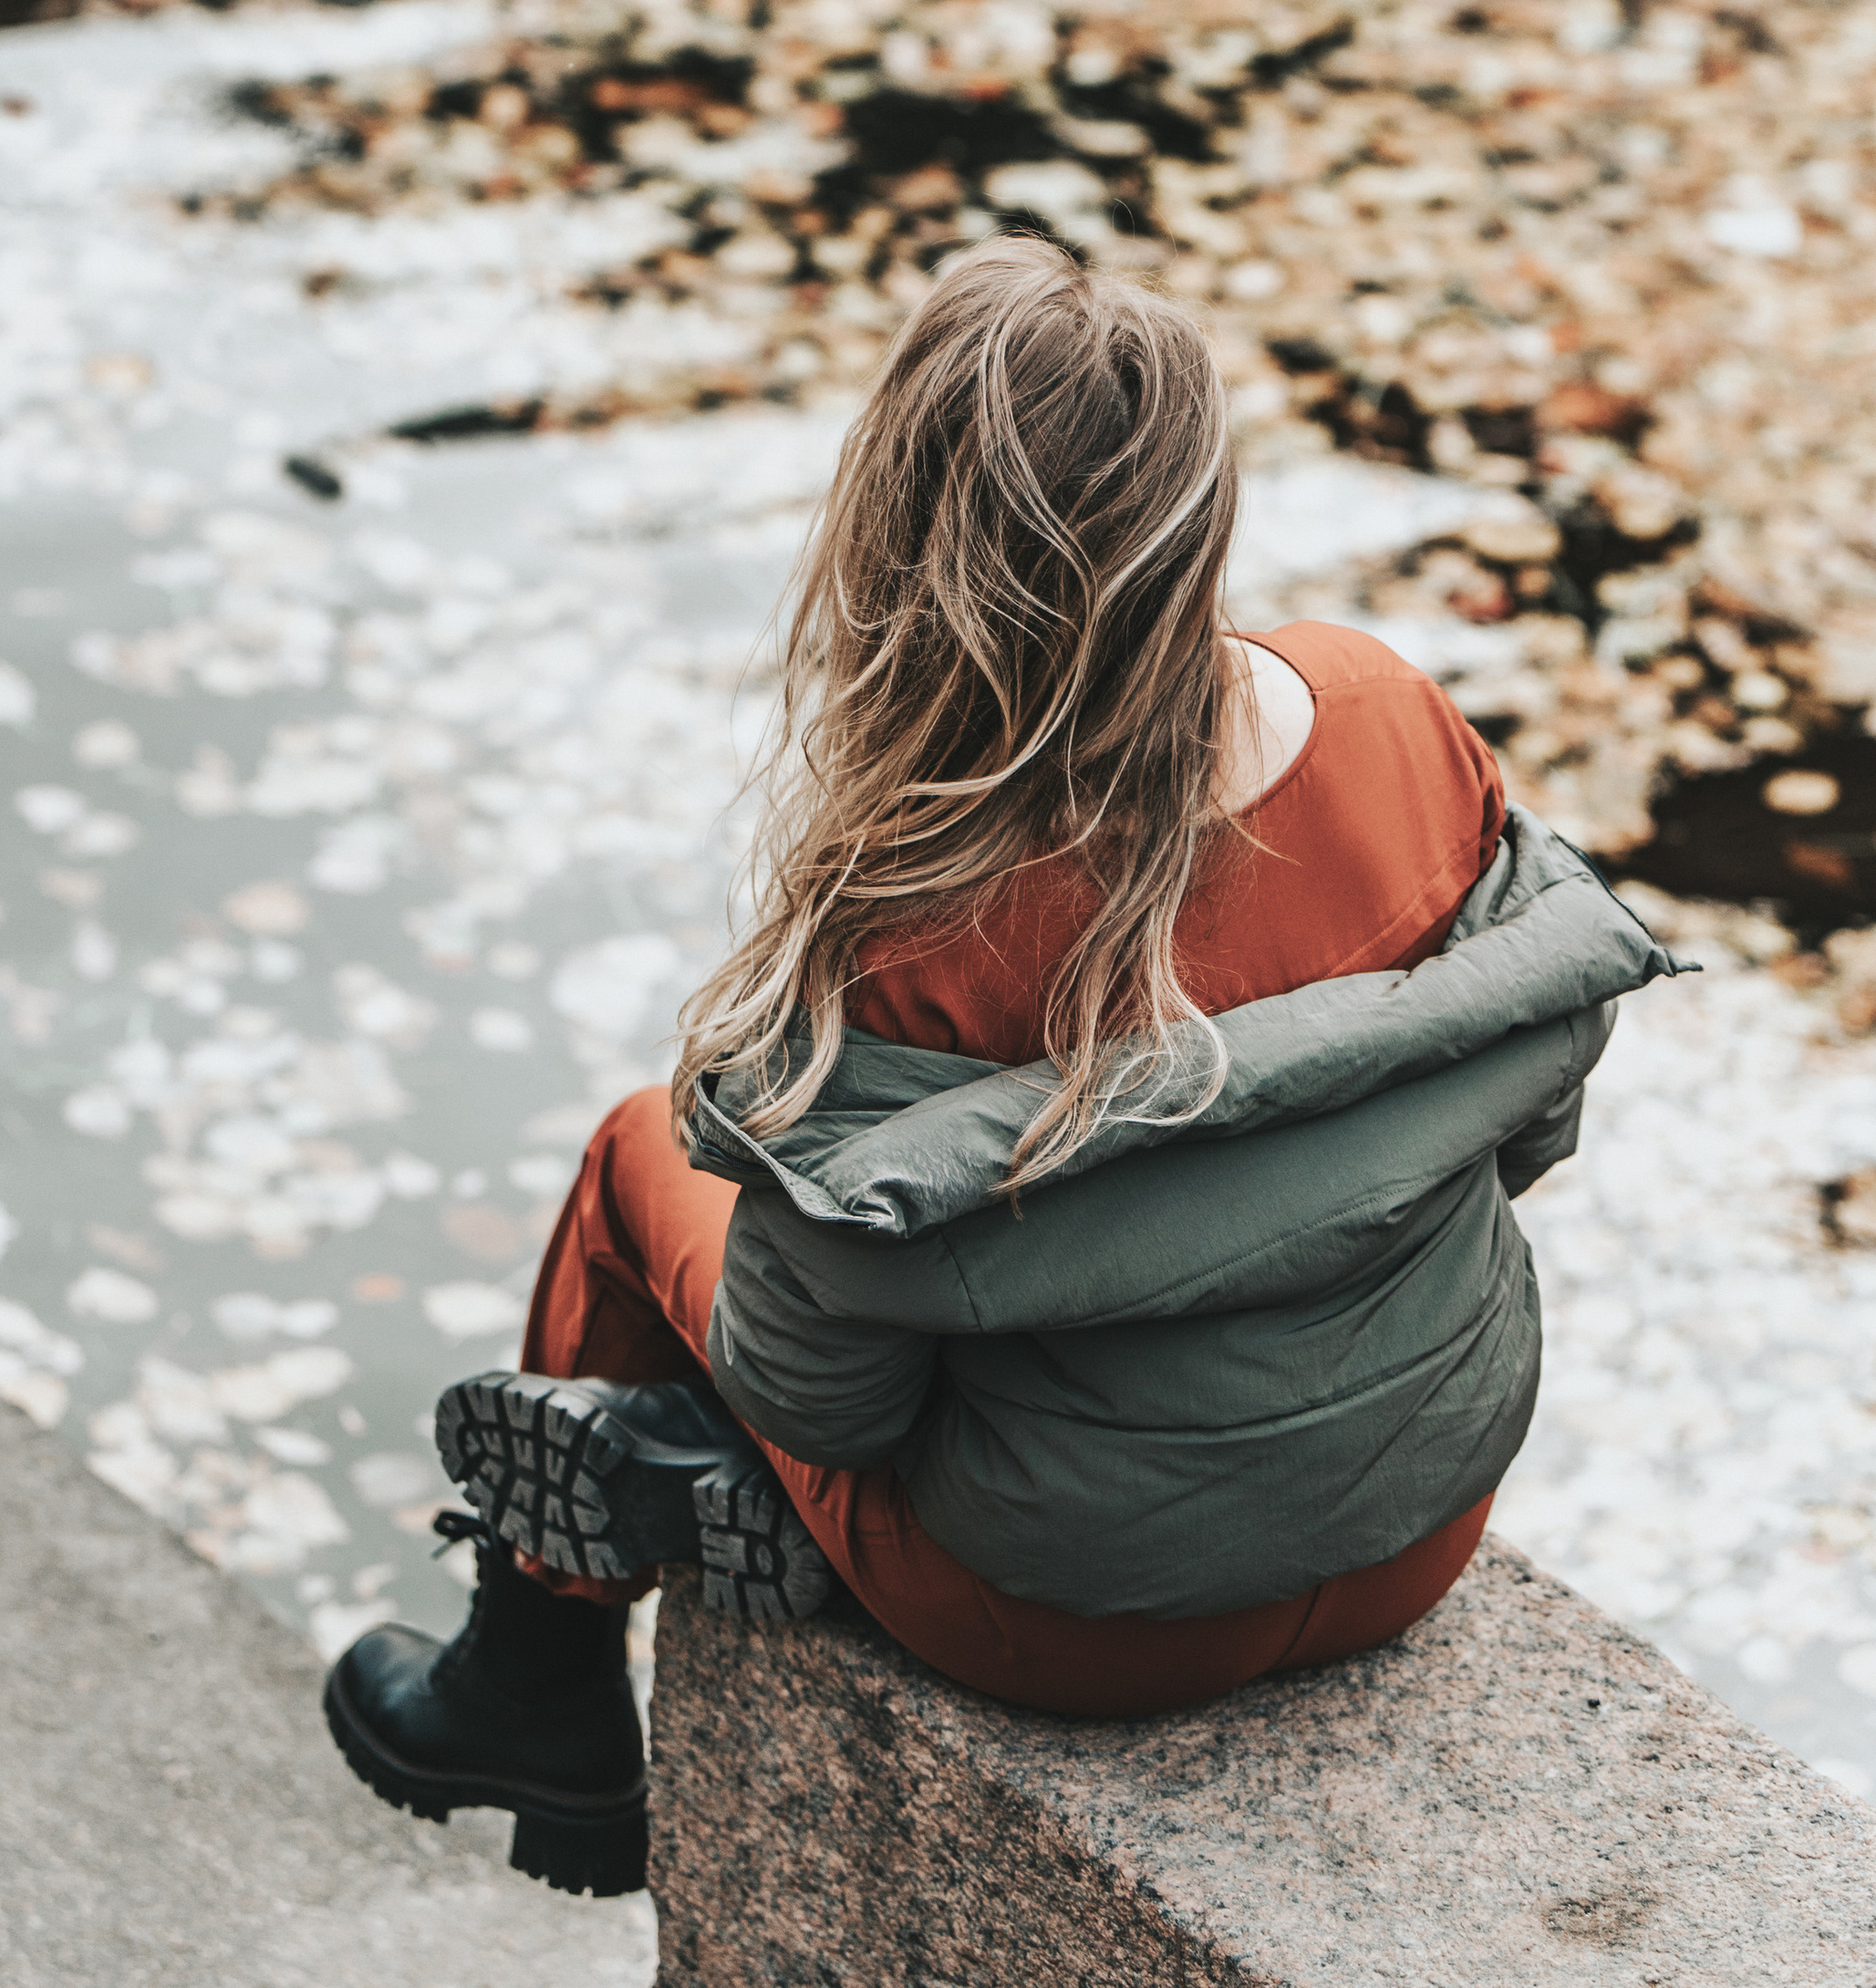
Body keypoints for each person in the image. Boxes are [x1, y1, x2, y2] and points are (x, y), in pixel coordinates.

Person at [325, 240, 1672, 1898]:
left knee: (632, 1159)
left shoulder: (914, 918)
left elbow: (831, 1395)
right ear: (1203, 510)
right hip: (1418, 1522)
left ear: (902, 547)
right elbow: (1526, 1114)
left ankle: (535, 1683)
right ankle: (653, 1514)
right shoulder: (1393, 716)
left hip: (1062, 1618)